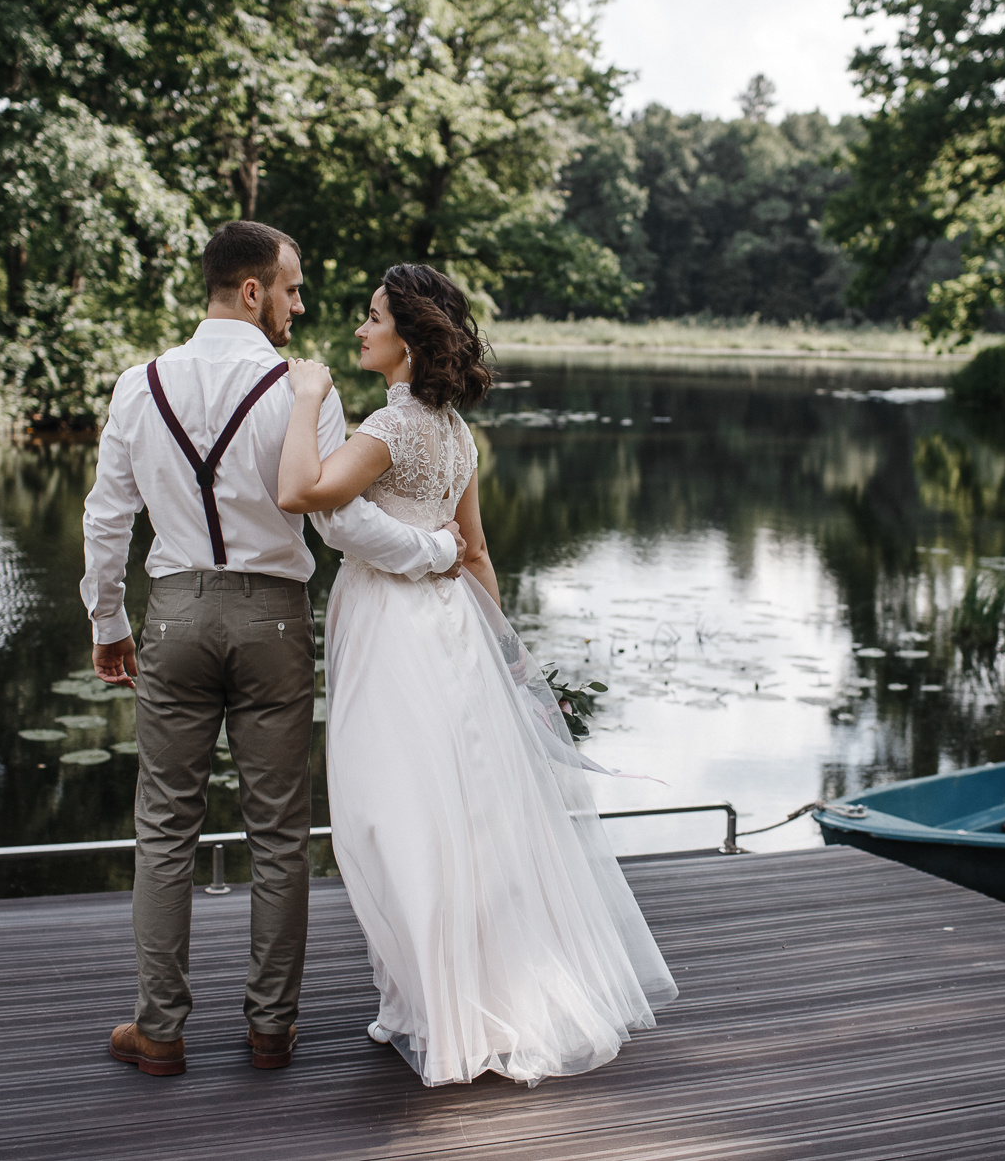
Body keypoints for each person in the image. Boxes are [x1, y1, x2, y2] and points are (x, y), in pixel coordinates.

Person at [276, 263, 677, 1087]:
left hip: (393, 630)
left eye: (373, 315)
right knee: (461, 810)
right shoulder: (458, 435)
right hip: (454, 627)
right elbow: (479, 553)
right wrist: (508, 653)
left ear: (408, 338)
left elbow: (305, 491)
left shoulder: (390, 428)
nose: (359, 326)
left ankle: (431, 1005)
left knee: (390, 813)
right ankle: (443, 995)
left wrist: (309, 399)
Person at [81, 222, 466, 1079]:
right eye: (291, 289)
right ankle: (270, 1028)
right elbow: (337, 521)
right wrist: (441, 553)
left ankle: (161, 1028)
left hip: (176, 614)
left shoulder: (138, 384)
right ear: (251, 291)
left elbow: (107, 516)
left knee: (164, 831)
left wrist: (108, 622)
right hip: (277, 621)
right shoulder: (304, 389)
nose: (300, 305)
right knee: (281, 834)